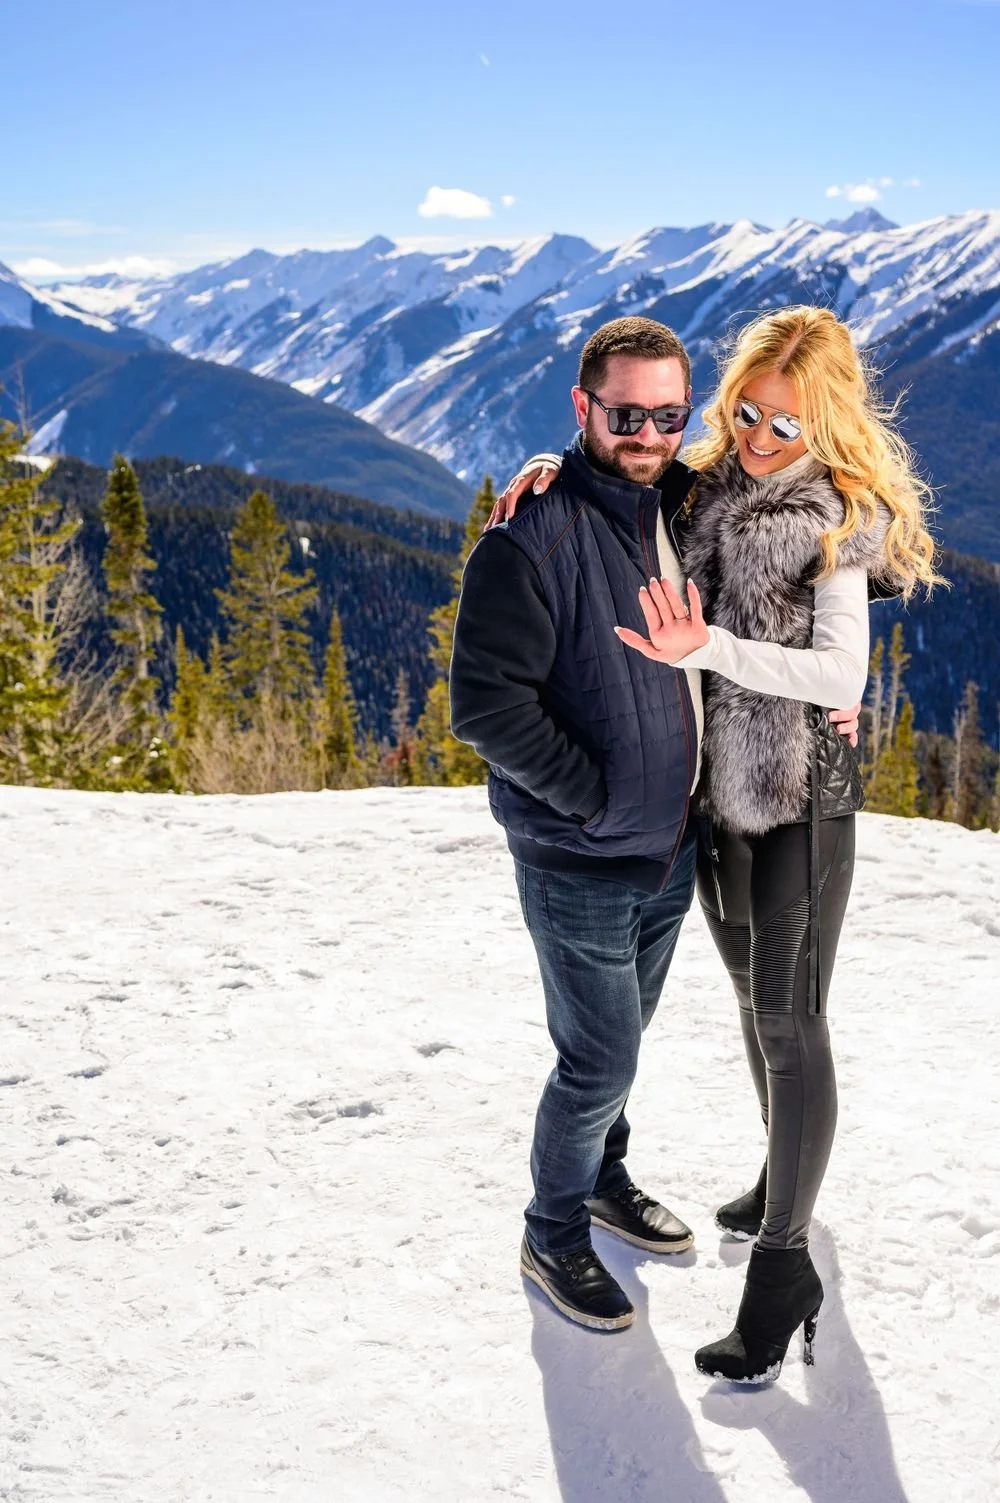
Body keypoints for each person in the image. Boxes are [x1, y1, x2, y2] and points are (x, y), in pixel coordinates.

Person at [489, 306, 938, 1381]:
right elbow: (623, 452)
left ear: (825, 422)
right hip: (713, 798)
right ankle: (778, 1185)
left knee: (791, 1021)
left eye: (785, 423)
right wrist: (547, 468)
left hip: (797, 798)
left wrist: (716, 648)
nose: (758, 436)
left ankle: (782, 1267)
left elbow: (839, 678)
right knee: (749, 998)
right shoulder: (710, 484)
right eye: (744, 412)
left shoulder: (837, 516)